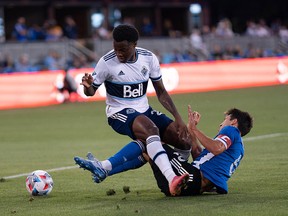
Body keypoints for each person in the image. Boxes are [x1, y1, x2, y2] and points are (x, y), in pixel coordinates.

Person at [74, 24, 191, 196]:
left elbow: (161, 92)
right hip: (118, 113)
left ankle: (106, 167)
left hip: (144, 111)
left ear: (134, 44)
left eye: (123, 49)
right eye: (116, 49)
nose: (118, 53)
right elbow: (90, 92)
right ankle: (171, 177)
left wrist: (178, 118)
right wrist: (88, 87)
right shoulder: (106, 62)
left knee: (184, 140)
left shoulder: (148, 58)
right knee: (151, 131)